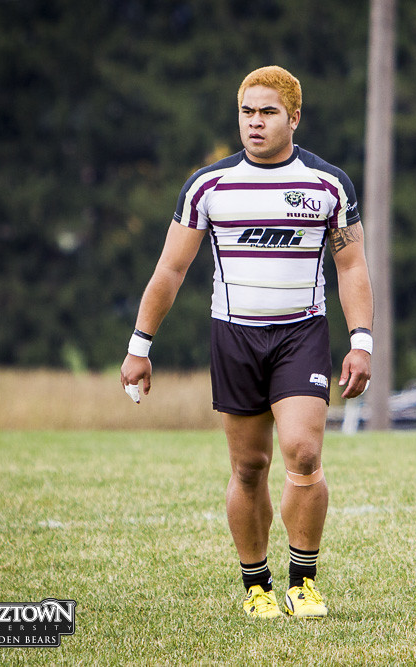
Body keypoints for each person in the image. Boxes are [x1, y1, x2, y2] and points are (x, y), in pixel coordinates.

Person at [120, 65, 374, 617]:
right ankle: (255, 586)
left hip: (301, 334)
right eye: (246, 112)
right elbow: (170, 270)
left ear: (294, 117)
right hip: (233, 337)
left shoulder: (328, 185)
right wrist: (140, 346)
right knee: (250, 467)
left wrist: (361, 342)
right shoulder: (207, 186)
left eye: (268, 113)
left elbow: (351, 267)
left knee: (303, 453)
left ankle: (303, 582)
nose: (255, 123)